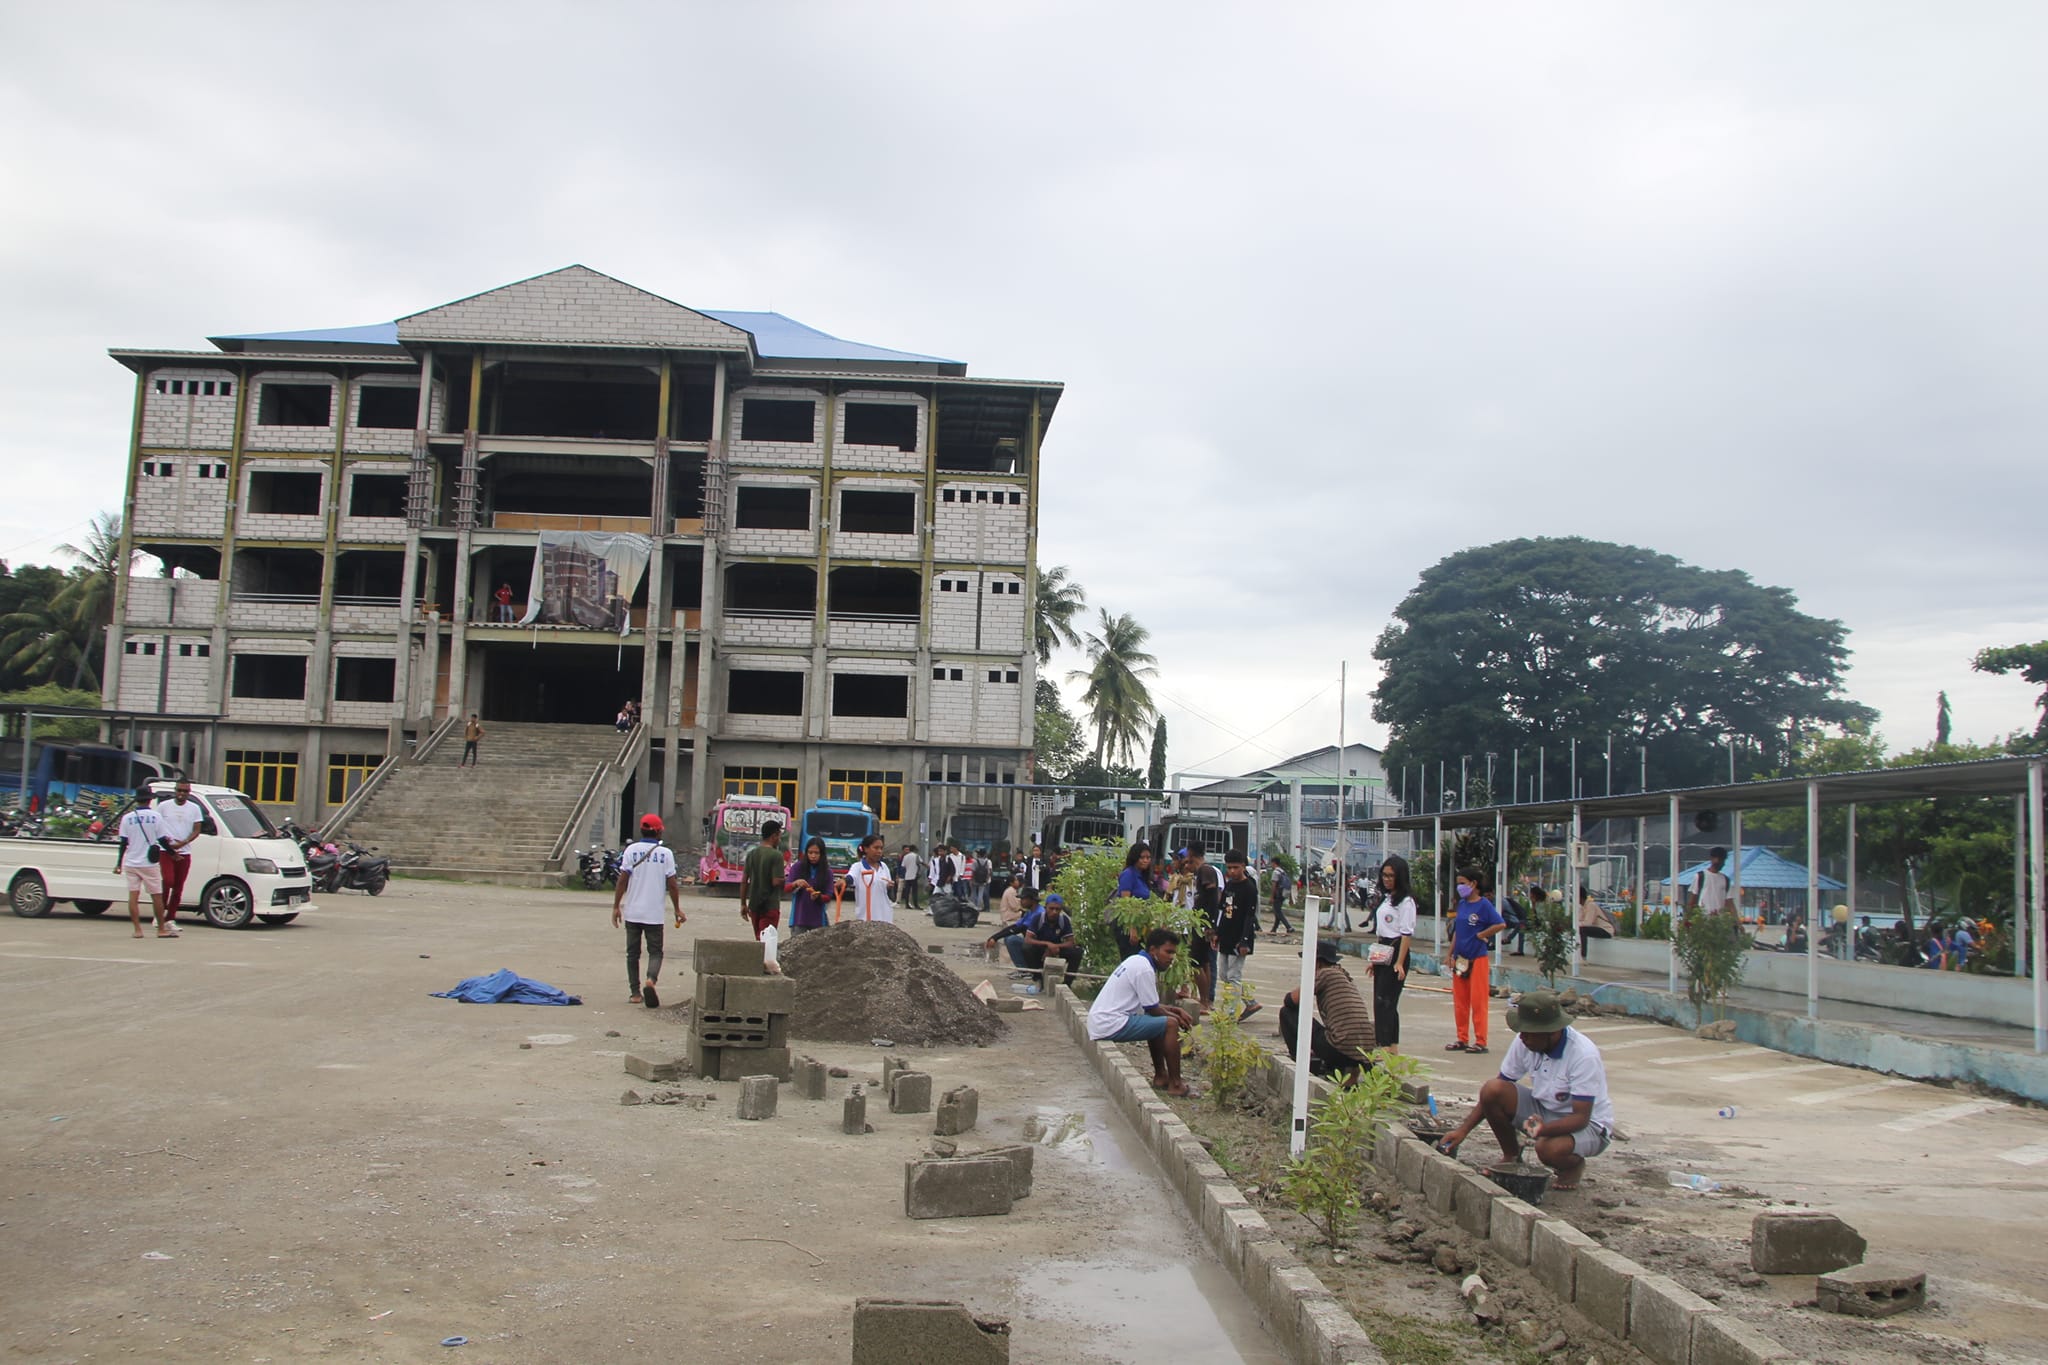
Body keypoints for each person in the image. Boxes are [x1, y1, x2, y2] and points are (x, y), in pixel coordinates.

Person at [1434, 989, 1614, 1192]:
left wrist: (1543, 1130)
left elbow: (1581, 1117)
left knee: (1547, 1149)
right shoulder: (1526, 1041)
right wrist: (1463, 1130)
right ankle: (1511, 1157)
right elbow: (1496, 1089)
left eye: (1528, 1034)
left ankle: (1572, 1165)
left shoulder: (1583, 1055)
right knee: (1492, 1090)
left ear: (1551, 1032)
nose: (1522, 1039)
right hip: (1544, 1108)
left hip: (1587, 1124)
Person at [1085, 928, 1195, 1097]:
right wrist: (1178, 1019)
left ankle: (1161, 1076)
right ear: (1153, 950)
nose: (1171, 958)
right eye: (1168, 952)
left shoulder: (1137, 961)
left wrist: (1176, 1010)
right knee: (1170, 1025)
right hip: (1110, 1023)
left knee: (1159, 1021)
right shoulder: (1144, 968)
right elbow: (1154, 1009)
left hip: (1103, 1021)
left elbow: (1152, 1005)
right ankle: (1176, 1084)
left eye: (1173, 953)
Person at [612, 813, 684, 1007]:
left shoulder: (630, 850)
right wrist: (677, 909)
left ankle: (635, 993)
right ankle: (651, 979)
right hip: (654, 914)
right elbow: (673, 885)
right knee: (656, 952)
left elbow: (622, 880)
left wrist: (616, 906)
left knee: (632, 954)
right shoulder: (666, 854)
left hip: (633, 912)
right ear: (659, 830)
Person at [1279, 939, 1374, 1081]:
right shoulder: (1345, 976)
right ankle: (1338, 1070)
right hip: (1365, 1053)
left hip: (1341, 1049)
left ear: (1317, 962)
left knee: (1286, 1013)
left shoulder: (1324, 974)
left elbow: (1290, 1001)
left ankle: (1302, 1062)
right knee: (1332, 1030)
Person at [1447, 869, 1504, 1054]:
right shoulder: (1462, 904)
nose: (1460, 887)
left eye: (1463, 882)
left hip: (1477, 958)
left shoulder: (1484, 905)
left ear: (1473, 884)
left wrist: (1482, 934)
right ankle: (1461, 1038)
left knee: (1478, 1001)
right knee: (1460, 1000)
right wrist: (1450, 954)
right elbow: (1458, 931)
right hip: (1460, 958)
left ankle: (1481, 1040)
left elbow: (1500, 923)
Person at [1370, 855, 1417, 1052]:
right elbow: (1382, 932)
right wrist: (1375, 961)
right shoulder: (1387, 899)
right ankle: (1388, 1046)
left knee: (1387, 1002)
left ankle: (1387, 1046)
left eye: (1391, 876)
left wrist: (1399, 962)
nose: (1387, 879)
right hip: (1383, 949)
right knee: (1379, 1002)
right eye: (1384, 875)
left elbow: (1406, 934)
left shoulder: (1406, 902)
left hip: (1397, 950)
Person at [115, 786, 172, 939]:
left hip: (131, 862)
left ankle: (137, 930)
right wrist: (173, 854)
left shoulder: (127, 818)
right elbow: (162, 840)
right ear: (149, 800)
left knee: (133, 896)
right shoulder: (156, 817)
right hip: (149, 863)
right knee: (157, 896)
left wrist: (118, 863)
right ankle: (161, 929)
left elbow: (123, 843)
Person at [151, 779, 205, 929]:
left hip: (184, 851)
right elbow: (157, 826)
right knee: (167, 881)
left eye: (185, 791)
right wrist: (167, 843)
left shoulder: (194, 808)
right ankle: (158, 914)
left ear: (189, 792)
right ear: (175, 790)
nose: (182, 794)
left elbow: (197, 830)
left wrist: (183, 842)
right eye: (179, 790)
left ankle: (170, 918)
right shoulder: (164, 806)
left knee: (178, 886)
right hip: (166, 851)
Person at [1215, 849, 1261, 1020]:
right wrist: (1217, 933)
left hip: (1240, 938)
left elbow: (1250, 917)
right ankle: (1250, 1002)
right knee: (1224, 975)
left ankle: (1230, 1014)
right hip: (1226, 935)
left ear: (1243, 866)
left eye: (1236, 867)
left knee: (1234, 976)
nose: (1232, 871)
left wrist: (1244, 941)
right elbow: (1223, 910)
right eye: (1229, 868)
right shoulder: (1230, 885)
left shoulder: (1249, 889)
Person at [740, 818, 787, 942]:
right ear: (774, 836)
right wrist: (786, 879)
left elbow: (744, 880)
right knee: (767, 943)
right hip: (770, 906)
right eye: (779, 836)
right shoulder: (776, 855)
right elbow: (776, 881)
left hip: (754, 906)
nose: (779, 840)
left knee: (758, 940)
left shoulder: (752, 854)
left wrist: (743, 904)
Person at [785, 836, 842, 934]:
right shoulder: (797, 867)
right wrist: (795, 883)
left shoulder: (827, 872)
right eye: (810, 853)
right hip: (799, 919)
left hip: (818, 920)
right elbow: (786, 888)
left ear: (822, 854)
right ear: (806, 853)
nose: (813, 856)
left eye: (816, 853)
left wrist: (819, 896)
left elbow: (828, 896)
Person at [846, 833, 896, 923]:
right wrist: (844, 881)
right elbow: (850, 878)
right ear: (866, 849)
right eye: (876, 848)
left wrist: (889, 886)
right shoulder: (858, 867)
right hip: (865, 917)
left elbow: (886, 887)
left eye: (881, 848)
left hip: (885, 916)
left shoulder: (884, 867)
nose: (879, 851)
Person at [1686, 847, 1732, 913]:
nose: (1721, 863)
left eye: (1722, 860)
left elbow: (1729, 902)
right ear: (1711, 858)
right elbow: (1693, 900)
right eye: (1719, 860)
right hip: (1702, 918)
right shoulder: (1700, 876)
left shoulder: (1725, 880)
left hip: (1719, 920)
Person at [1576, 888, 1616, 960]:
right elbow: (1579, 921)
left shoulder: (1591, 905)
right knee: (1579, 929)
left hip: (1606, 930)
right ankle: (1578, 955)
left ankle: (1583, 957)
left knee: (1582, 930)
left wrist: (1576, 924)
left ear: (1580, 897)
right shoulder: (1582, 907)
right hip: (1597, 928)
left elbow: (1587, 923)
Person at [1268, 860, 1295, 936]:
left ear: (1274, 863)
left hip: (1278, 894)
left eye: (1271, 863)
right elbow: (1289, 885)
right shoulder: (1283, 872)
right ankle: (1274, 929)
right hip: (1284, 894)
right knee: (1277, 911)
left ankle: (1289, 927)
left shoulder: (1276, 872)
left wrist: (1271, 897)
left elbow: (1274, 885)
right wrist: (1291, 899)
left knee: (1278, 911)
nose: (1271, 865)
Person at [898, 844, 923, 910]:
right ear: (914, 849)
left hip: (907, 876)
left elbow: (903, 866)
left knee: (907, 891)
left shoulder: (905, 856)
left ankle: (907, 904)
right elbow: (921, 862)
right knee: (914, 891)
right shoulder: (916, 856)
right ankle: (916, 904)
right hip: (914, 875)